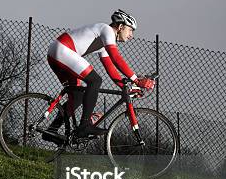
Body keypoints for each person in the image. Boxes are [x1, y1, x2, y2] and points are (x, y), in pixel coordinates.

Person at [43, 9, 155, 141]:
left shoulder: (103, 41)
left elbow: (110, 68)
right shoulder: (106, 30)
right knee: (95, 81)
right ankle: (84, 125)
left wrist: (126, 88)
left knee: (77, 97)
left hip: (56, 53)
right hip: (63, 50)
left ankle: (50, 132)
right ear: (120, 26)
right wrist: (136, 80)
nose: (131, 35)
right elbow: (115, 57)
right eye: (130, 30)